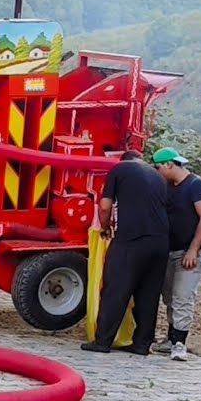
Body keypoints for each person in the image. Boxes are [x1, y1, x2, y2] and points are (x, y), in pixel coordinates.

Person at [81, 152, 170, 355]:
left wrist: (104, 228)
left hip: (131, 239)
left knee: (115, 288)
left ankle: (102, 341)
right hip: (160, 242)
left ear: (123, 160)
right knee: (148, 294)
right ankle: (141, 344)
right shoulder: (158, 176)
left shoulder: (119, 169)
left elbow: (105, 206)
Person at [151, 147, 201, 361]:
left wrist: (193, 250)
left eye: (158, 167)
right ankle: (170, 337)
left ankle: (180, 343)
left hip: (192, 251)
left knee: (183, 296)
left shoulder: (197, 186)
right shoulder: (168, 187)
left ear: (169, 164)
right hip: (171, 250)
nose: (157, 172)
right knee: (169, 297)